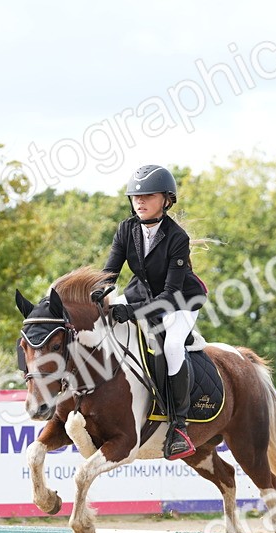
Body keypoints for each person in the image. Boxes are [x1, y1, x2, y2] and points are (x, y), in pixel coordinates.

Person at [100, 164, 207, 460]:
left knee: (171, 346)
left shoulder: (177, 238)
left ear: (166, 199)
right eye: (135, 196)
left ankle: (180, 425)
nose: (140, 201)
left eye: (148, 195)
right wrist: (97, 293)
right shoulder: (126, 229)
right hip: (142, 294)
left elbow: (170, 295)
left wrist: (132, 311)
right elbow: (110, 272)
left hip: (180, 301)